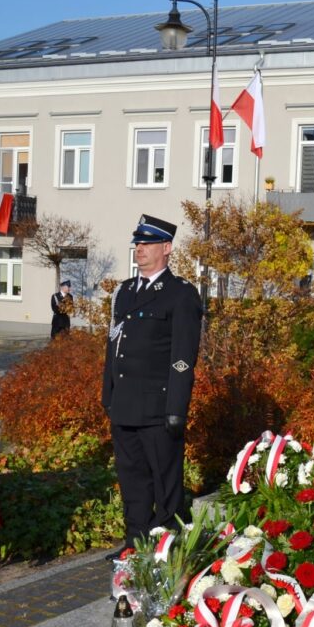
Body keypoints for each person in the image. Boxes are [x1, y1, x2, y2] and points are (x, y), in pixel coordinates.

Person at [102, 214, 203, 549]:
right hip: (125, 404)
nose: (139, 249)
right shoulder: (125, 292)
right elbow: (113, 347)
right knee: (132, 480)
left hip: (158, 408)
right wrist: (108, 396)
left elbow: (182, 358)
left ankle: (169, 546)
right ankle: (136, 542)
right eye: (137, 243)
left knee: (165, 481)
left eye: (146, 243)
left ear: (167, 247)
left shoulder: (180, 294)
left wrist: (176, 408)